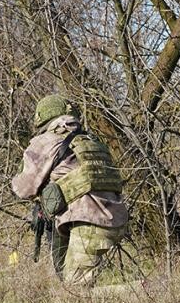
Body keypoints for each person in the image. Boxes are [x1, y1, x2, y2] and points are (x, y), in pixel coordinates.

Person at [12, 94, 128, 288]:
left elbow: (24, 189)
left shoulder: (46, 141)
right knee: (69, 279)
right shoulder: (90, 141)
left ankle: (144, 292)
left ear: (43, 118)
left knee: (76, 290)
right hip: (115, 218)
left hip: (88, 222)